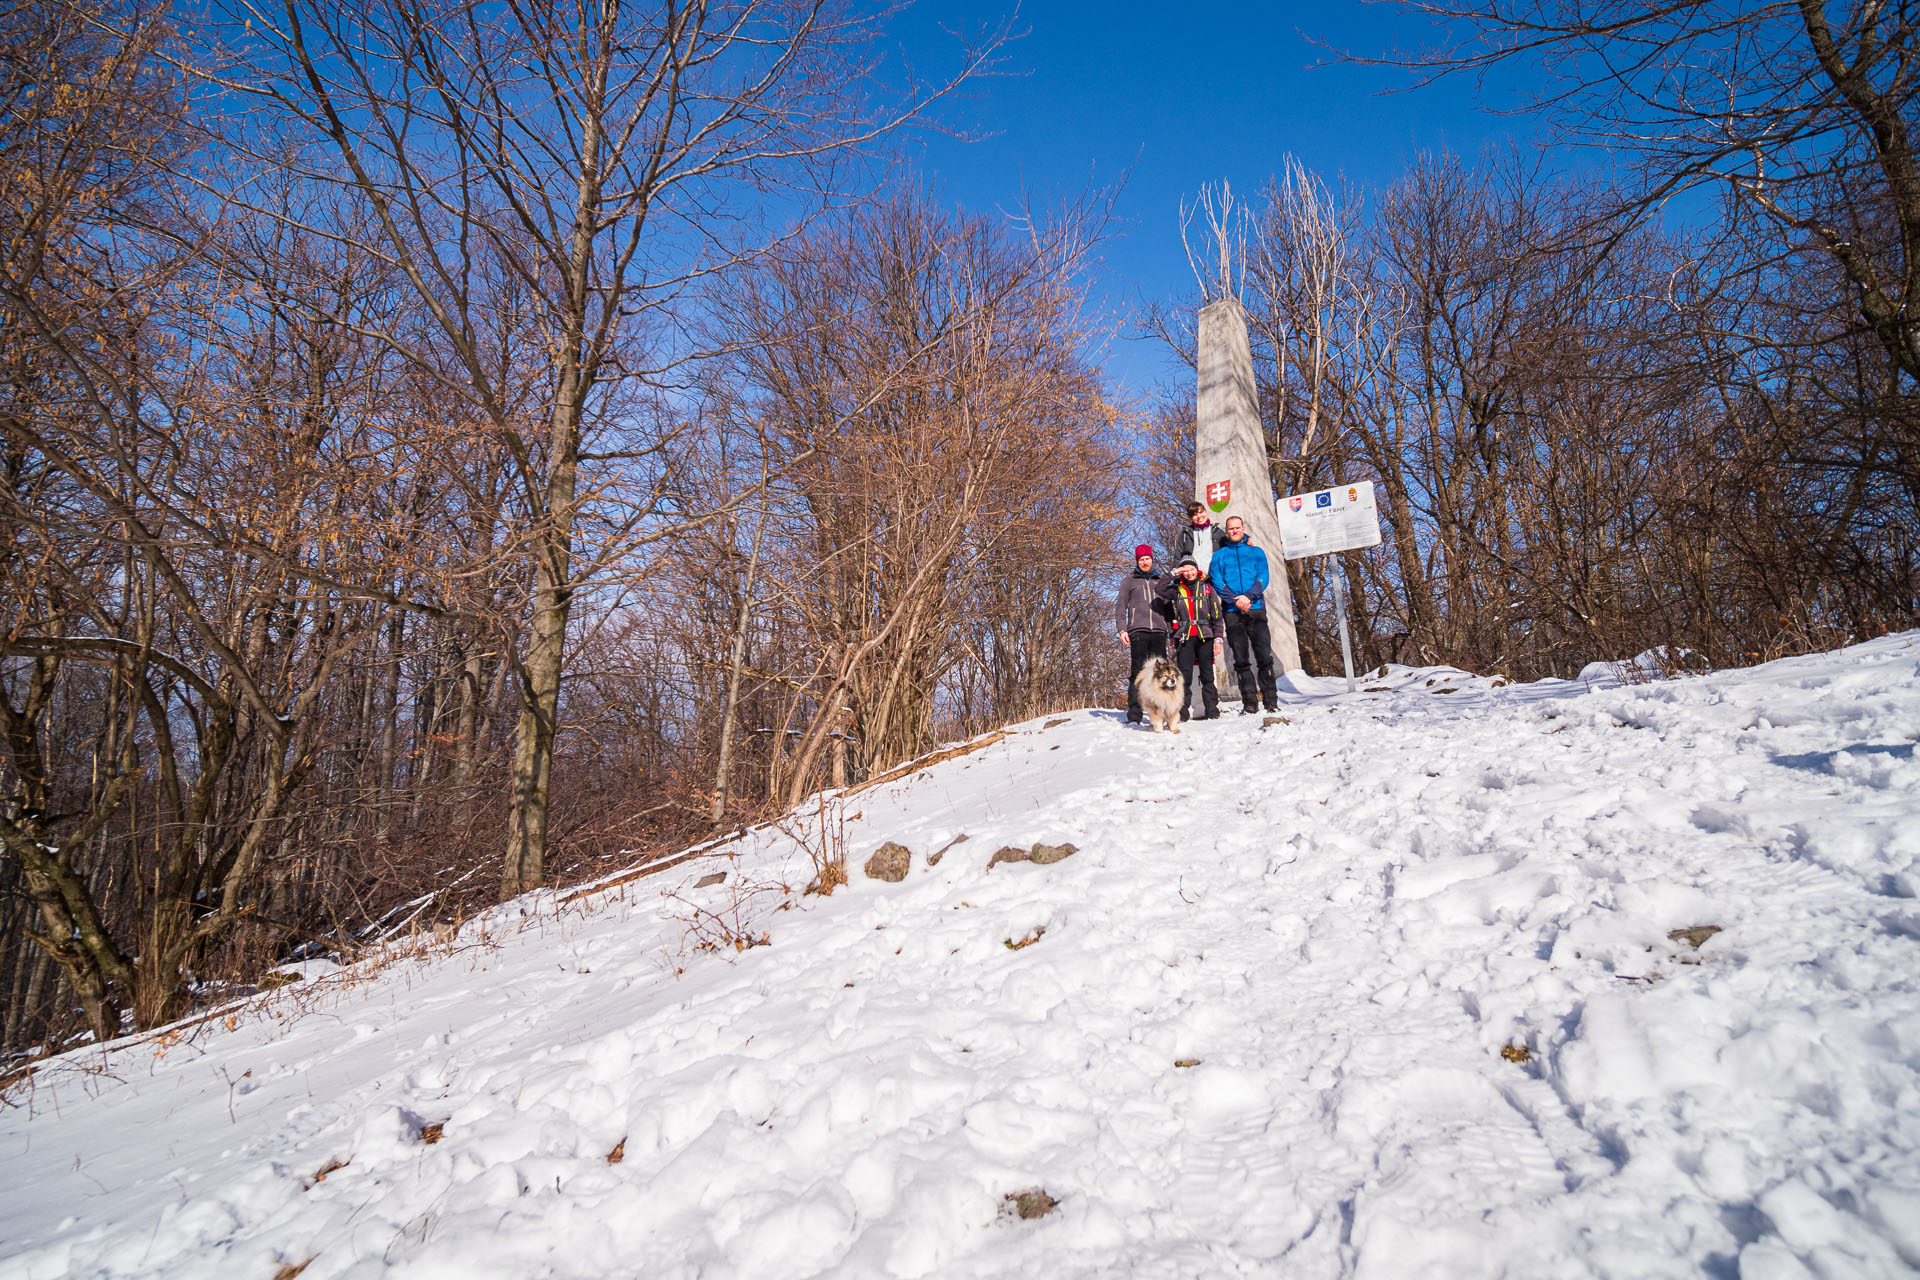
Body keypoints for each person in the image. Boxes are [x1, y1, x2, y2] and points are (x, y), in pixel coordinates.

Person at [1209, 516, 1278, 713]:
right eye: (1231, 529)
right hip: (1232, 612)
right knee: (1241, 659)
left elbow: (1263, 577)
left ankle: (1271, 700)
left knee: (1264, 655)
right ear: (1226, 531)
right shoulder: (1219, 556)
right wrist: (1236, 600)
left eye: (1237, 527)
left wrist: (1248, 597)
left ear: (1243, 528)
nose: (1234, 531)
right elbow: (1217, 581)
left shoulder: (1256, 552)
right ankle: (1249, 703)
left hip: (1255, 608)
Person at [1156, 557, 1222, 720]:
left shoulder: (1207, 588)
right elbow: (1159, 588)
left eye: (1192, 569)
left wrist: (1218, 638)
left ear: (1197, 570)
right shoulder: (1176, 589)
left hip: (1205, 635)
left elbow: (1217, 615)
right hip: (1185, 637)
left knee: (1207, 675)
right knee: (1184, 676)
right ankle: (1182, 713)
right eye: (1185, 570)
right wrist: (1174, 573)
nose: (1189, 573)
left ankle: (1212, 711)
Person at [1113, 544, 1171, 725]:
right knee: (1138, 673)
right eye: (1141, 559)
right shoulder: (1129, 581)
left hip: (1160, 632)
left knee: (1162, 674)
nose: (1145, 562)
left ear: (1152, 559)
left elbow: (1169, 608)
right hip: (1138, 631)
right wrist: (1122, 629)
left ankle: (1161, 713)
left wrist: (1173, 631)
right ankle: (1135, 715)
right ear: (1137, 561)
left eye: (1148, 559)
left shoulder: (1160, 580)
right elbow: (1120, 606)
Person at [1174, 501, 1227, 582]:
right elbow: (1178, 557)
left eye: (1201, 512)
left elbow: (1228, 553)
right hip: (1193, 578)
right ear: (1190, 517)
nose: (1199, 516)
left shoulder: (1218, 532)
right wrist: (1178, 579)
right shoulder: (1185, 534)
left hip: (1214, 577)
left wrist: (1245, 540)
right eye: (1195, 515)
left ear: (1206, 511)